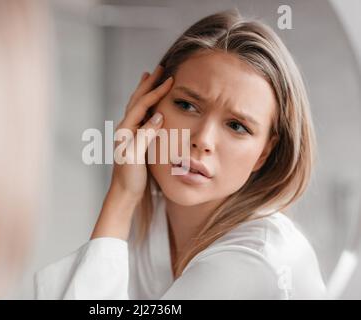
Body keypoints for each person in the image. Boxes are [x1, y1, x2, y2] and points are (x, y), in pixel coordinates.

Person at [35, 9, 326, 299]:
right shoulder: (148, 229)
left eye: (237, 126)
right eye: (187, 106)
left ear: (264, 153)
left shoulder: (258, 259)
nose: (202, 140)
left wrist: (121, 196)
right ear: (150, 105)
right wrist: (123, 195)